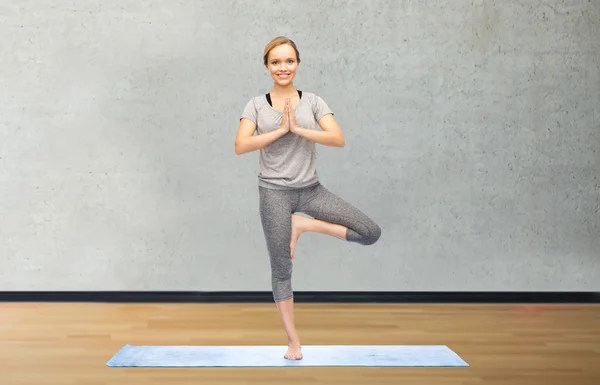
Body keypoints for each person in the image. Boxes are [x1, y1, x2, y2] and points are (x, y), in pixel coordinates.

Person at [234, 36, 382, 360]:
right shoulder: (256, 105)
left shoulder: (312, 101)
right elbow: (241, 145)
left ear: (297, 64)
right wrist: (278, 130)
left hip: (311, 191)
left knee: (370, 232)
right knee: (282, 269)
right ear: (267, 66)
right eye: (276, 62)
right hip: (274, 194)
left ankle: (303, 225)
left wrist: (299, 129)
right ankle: (293, 341)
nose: (283, 67)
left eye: (289, 61)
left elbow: (337, 138)